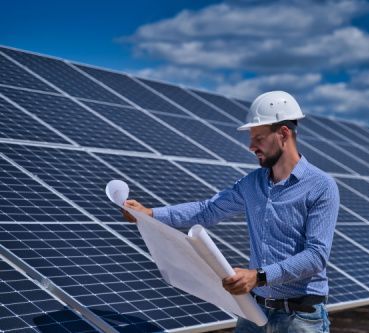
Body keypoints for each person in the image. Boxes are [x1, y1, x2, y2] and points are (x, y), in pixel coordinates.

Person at [123, 91, 339, 333]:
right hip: (254, 313)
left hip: (300, 319)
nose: (251, 146)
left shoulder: (321, 186)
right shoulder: (252, 184)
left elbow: (316, 255)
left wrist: (258, 276)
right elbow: (208, 210)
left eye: (259, 138)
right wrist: (151, 214)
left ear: (283, 134)